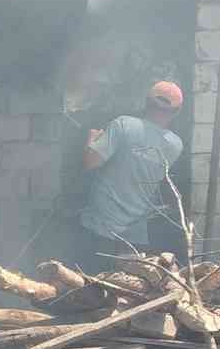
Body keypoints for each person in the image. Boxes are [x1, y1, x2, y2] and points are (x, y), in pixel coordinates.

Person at [76, 80, 185, 272]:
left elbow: (90, 162)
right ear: (176, 112)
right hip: (135, 236)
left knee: (87, 287)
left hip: (100, 227)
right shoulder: (175, 145)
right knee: (126, 291)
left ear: (146, 102)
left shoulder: (123, 125)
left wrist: (91, 141)